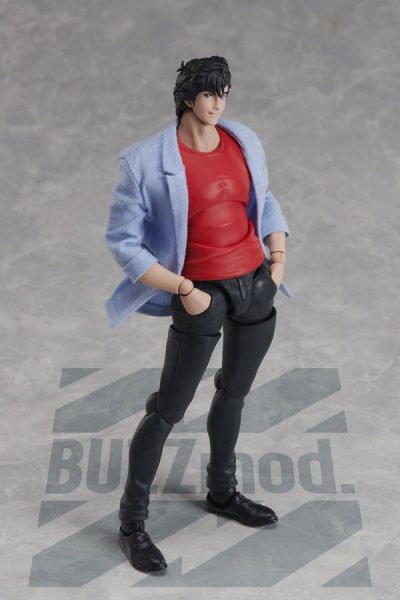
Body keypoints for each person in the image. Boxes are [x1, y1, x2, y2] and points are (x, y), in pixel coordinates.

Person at [105, 56, 292, 573]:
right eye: (210, 94)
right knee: (168, 409)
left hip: (255, 284)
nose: (219, 104)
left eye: (224, 93)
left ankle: (222, 491)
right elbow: (123, 242)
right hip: (200, 292)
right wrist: (183, 288)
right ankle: (131, 523)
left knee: (234, 394)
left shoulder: (242, 140)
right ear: (188, 97)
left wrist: (276, 259)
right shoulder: (145, 162)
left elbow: (264, 198)